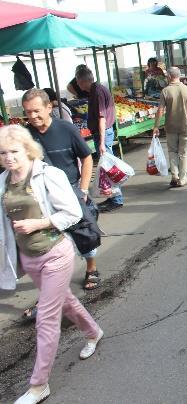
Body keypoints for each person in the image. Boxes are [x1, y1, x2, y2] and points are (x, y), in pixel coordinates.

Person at [0, 125, 103, 404]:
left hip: (56, 253)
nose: (9, 157)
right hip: (29, 259)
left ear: (27, 149)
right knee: (66, 301)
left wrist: (39, 222)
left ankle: (38, 385)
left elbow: (70, 213)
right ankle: (93, 332)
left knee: (46, 318)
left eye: (14, 151)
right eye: (3, 153)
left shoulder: (48, 175)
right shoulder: (3, 181)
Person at [23, 89, 99, 291]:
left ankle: (91, 268)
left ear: (49, 107)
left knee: (84, 232)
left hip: (71, 191)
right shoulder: (25, 135)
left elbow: (87, 157)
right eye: (28, 112)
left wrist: (83, 190)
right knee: (49, 241)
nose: (33, 116)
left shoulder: (67, 129)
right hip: (41, 196)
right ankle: (54, 285)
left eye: (37, 111)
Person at [75, 67, 122, 213]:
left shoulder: (97, 92)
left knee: (109, 168)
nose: (78, 85)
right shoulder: (98, 89)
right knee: (106, 168)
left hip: (103, 133)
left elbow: (102, 118)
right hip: (104, 132)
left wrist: (101, 142)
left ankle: (117, 199)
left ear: (82, 81)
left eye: (78, 81)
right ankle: (112, 196)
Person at [153, 67, 187, 188]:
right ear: (179, 75)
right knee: (184, 153)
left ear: (169, 76)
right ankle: (183, 179)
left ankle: (175, 175)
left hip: (170, 127)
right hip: (185, 126)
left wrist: (156, 126)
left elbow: (161, 110)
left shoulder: (165, 91)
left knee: (172, 151)